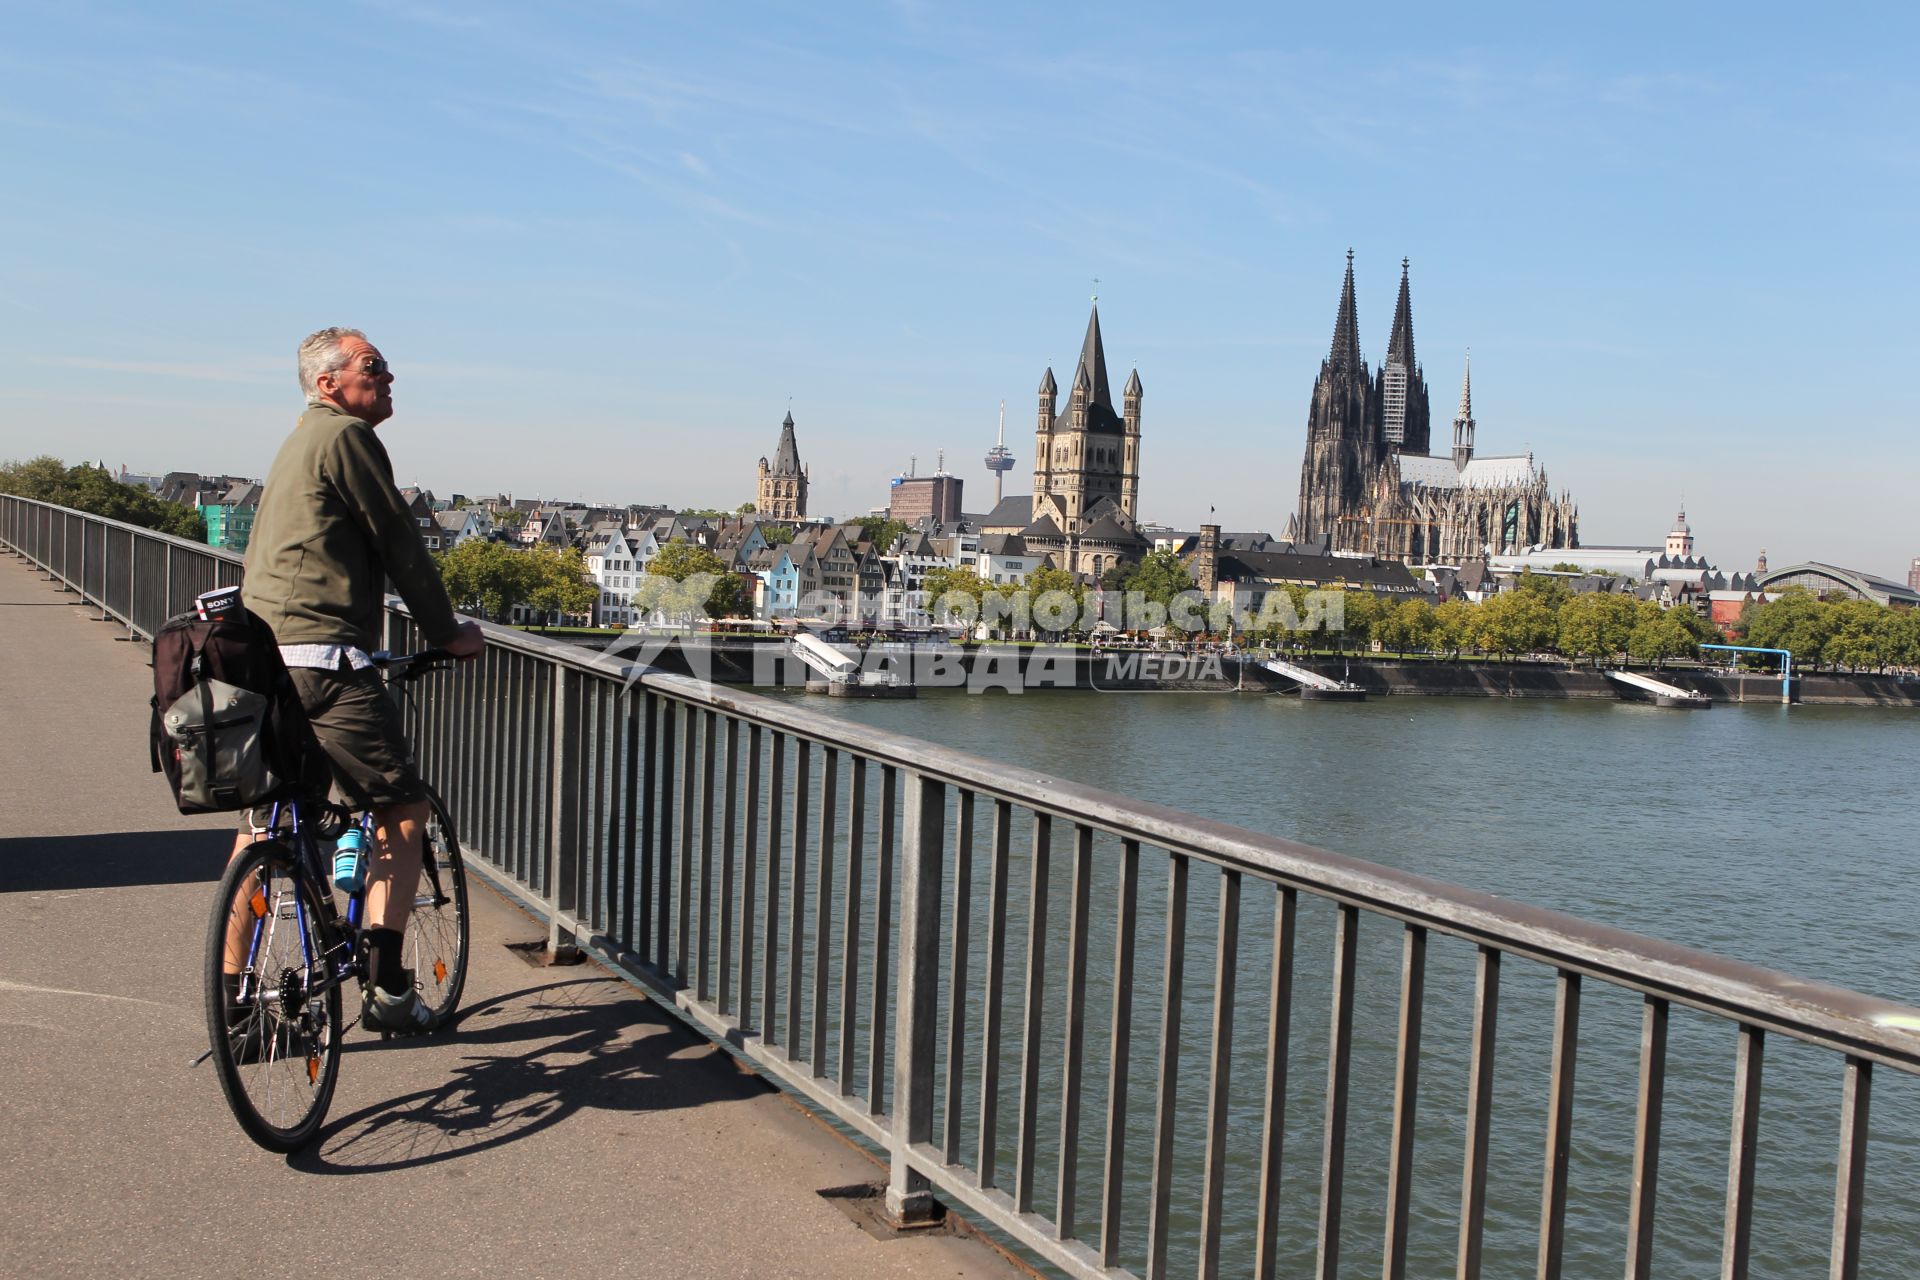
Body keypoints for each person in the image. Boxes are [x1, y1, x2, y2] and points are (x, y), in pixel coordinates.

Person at [231, 327, 484, 1034]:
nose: (390, 375)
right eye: (373, 366)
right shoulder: (347, 438)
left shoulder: (297, 442)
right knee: (404, 811)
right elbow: (400, 542)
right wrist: (447, 634)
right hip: (321, 659)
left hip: (265, 657)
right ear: (329, 383)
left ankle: (238, 1008)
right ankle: (388, 988)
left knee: (262, 828)